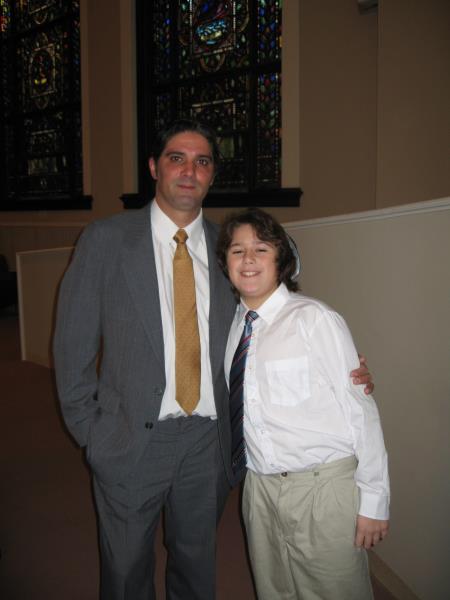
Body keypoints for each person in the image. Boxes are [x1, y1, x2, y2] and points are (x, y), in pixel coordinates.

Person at [53, 120, 374, 600]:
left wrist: (342, 364)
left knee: (196, 563)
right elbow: (72, 346)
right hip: (129, 438)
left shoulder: (229, 247)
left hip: (207, 441)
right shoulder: (106, 240)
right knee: (124, 569)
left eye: (202, 161)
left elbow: (271, 319)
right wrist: (93, 434)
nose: (189, 170)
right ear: (154, 167)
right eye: (176, 158)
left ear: (211, 175)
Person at [217, 208, 390, 600]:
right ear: (226, 262)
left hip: (321, 489)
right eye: (237, 250)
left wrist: (374, 500)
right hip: (259, 489)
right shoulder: (234, 326)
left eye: (261, 249)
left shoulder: (315, 319)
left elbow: (361, 412)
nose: (248, 259)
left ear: (281, 259)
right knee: (274, 590)